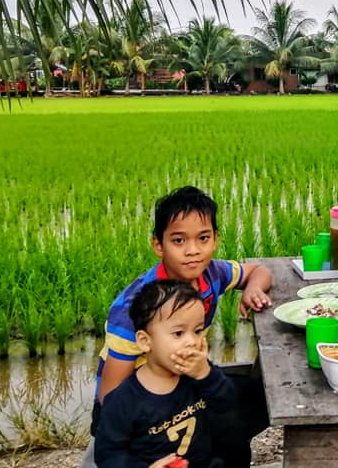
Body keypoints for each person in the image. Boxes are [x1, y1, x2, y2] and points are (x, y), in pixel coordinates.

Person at [85, 185, 273, 468]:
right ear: (158, 245)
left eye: (203, 238)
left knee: (258, 401)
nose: (193, 251)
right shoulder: (133, 310)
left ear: (215, 239)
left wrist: (252, 290)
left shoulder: (211, 273)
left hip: (182, 377)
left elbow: (259, 270)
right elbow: (110, 397)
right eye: (179, 240)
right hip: (137, 397)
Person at [95, 280, 239, 468]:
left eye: (197, 331)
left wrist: (206, 374)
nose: (192, 342)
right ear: (145, 341)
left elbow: (228, 403)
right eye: (178, 333)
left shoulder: (200, 378)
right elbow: (109, 456)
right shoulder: (123, 401)